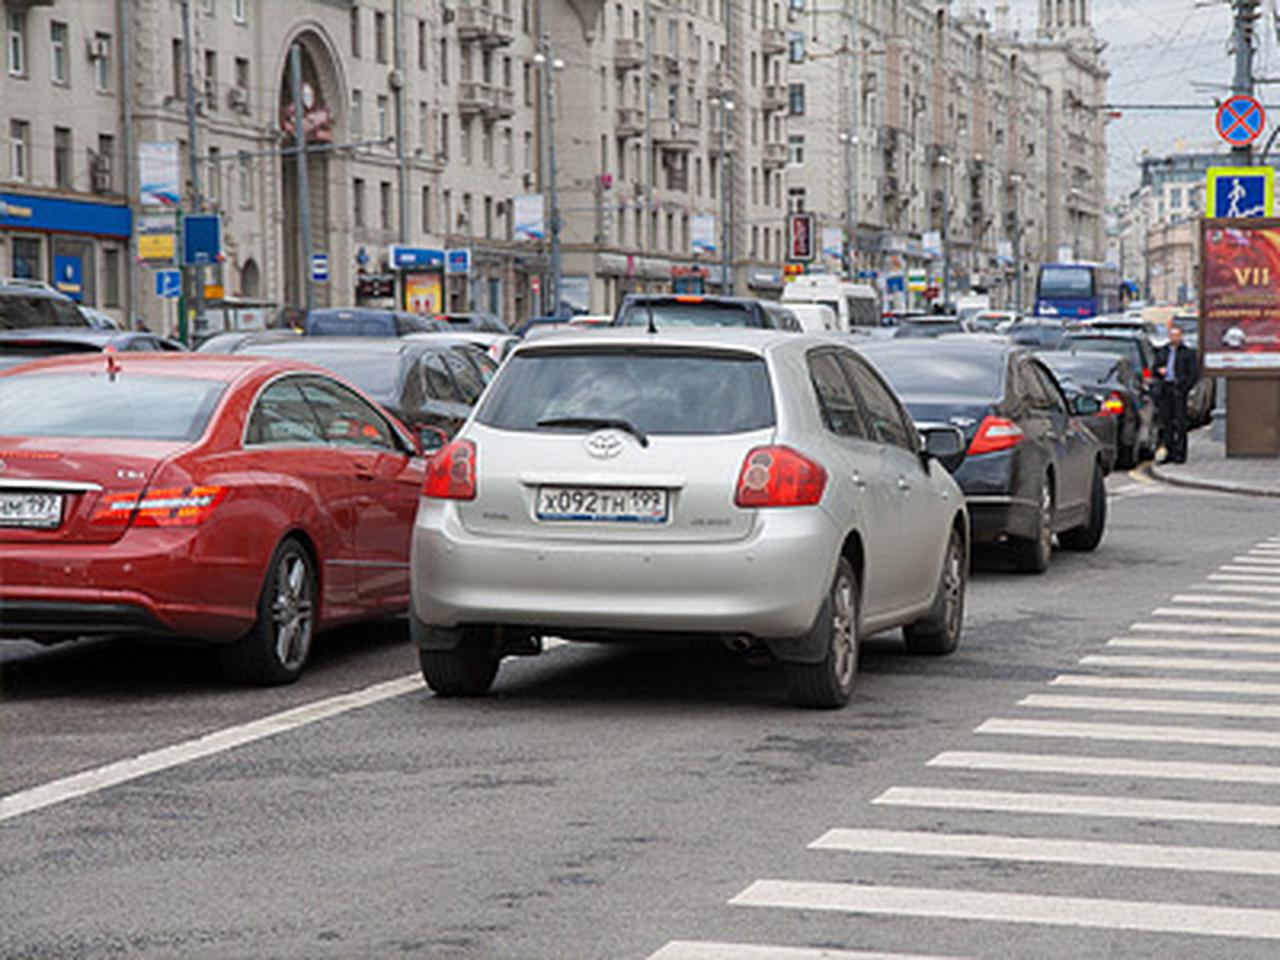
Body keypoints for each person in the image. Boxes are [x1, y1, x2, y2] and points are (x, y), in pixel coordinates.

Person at [1154, 323, 1198, 464]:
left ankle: (1180, 453)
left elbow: (1193, 374)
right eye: (1172, 335)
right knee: (1166, 422)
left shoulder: (1187, 353)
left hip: (1179, 390)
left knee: (1180, 422)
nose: (1174, 338)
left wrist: (1184, 387)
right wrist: (1159, 371)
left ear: (1181, 336)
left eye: (1177, 335)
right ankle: (1169, 451)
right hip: (1166, 388)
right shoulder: (1164, 351)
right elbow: (1154, 368)